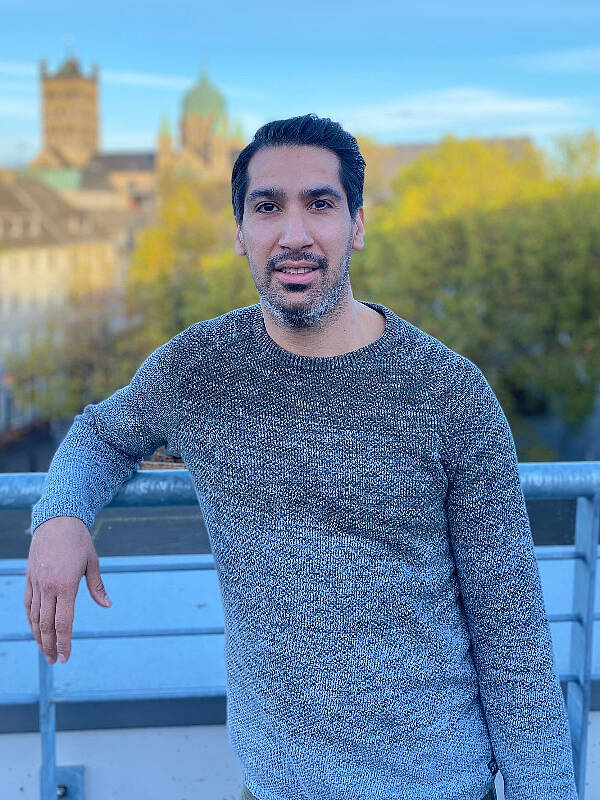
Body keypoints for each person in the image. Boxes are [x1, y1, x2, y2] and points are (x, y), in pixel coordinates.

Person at [25, 114, 578, 800]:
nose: (293, 234)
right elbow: (102, 435)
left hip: (440, 786)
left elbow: (512, 637)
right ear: (240, 232)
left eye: (319, 204)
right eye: (267, 208)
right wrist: (61, 516)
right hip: (273, 786)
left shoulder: (448, 392)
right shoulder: (200, 369)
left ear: (357, 224)